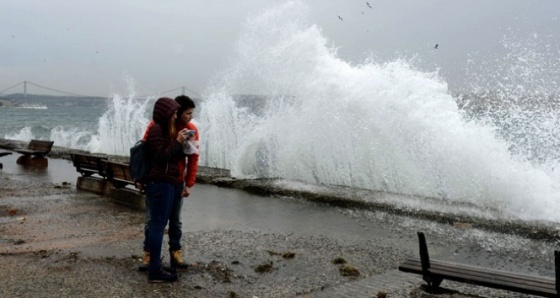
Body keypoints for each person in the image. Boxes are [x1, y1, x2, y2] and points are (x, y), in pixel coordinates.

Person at [139, 95, 200, 271]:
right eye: (188, 113)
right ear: (176, 112)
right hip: (159, 180)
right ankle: (149, 254)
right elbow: (147, 152)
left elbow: (194, 158)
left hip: (177, 180)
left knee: (175, 220)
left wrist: (189, 183)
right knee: (153, 220)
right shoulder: (157, 126)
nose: (191, 117)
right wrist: (142, 179)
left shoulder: (191, 129)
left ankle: (175, 251)